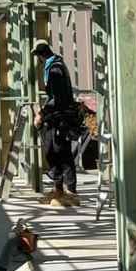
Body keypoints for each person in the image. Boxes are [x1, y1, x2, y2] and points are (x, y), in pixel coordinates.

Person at [33, 39, 81, 207]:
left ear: (40, 55)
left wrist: (42, 113)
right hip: (58, 115)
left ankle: (70, 192)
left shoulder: (54, 70)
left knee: (61, 152)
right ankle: (59, 189)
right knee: (54, 151)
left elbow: (58, 98)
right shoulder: (56, 66)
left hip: (60, 117)